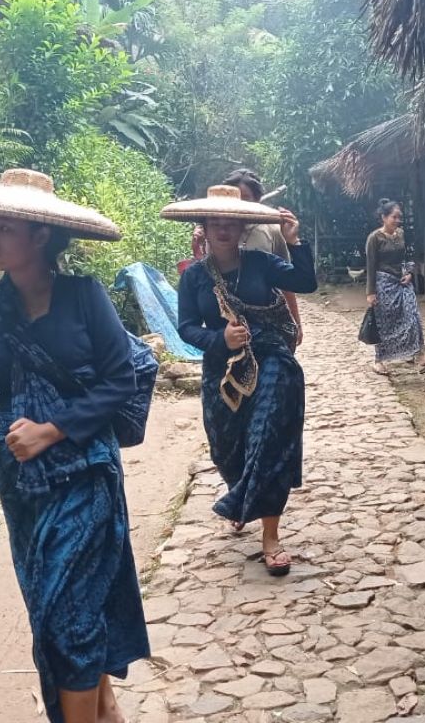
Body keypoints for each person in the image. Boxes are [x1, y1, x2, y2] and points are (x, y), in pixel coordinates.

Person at [0, 169, 149, 723]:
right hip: (23, 486)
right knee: (54, 605)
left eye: (3, 227)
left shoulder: (85, 298)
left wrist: (54, 428)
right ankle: (103, 703)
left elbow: (120, 380)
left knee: (67, 612)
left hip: (85, 473)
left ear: (41, 235)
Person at [164, 185, 318, 577]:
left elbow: (305, 282)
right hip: (222, 366)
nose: (222, 228)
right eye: (215, 221)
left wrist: (294, 240)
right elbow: (185, 327)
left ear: (242, 225)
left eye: (230, 221)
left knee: (267, 436)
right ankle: (242, 492)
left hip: (271, 358)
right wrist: (219, 339)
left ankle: (271, 536)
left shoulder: (262, 263)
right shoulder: (195, 276)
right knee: (225, 446)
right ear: (204, 226)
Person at [191, 169, 304, 347]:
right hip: (227, 325)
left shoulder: (272, 231)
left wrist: (295, 321)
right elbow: (205, 276)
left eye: (246, 198)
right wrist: (198, 248)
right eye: (235, 199)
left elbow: (287, 282)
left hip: (266, 319)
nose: (240, 205)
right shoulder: (214, 232)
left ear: (257, 199)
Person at [366, 199, 425, 376]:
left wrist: (409, 273)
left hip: (402, 281)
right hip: (383, 283)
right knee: (384, 322)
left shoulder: (401, 234)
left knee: (413, 315)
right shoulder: (374, 238)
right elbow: (371, 265)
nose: (398, 220)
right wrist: (370, 292)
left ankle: (421, 356)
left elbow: (407, 256)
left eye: (400, 217)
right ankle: (379, 360)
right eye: (394, 217)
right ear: (384, 218)